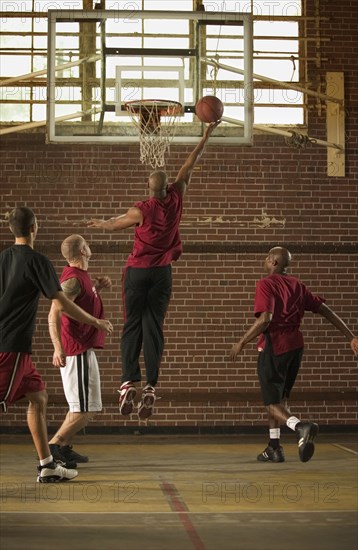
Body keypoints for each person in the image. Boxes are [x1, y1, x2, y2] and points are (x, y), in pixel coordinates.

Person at [87, 121, 220, 420]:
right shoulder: (177, 197)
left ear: (149, 189)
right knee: (153, 328)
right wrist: (206, 134)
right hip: (162, 274)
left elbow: (113, 224)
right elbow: (190, 163)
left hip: (136, 273)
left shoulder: (141, 210)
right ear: (166, 186)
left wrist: (100, 223)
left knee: (132, 325)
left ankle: (127, 382)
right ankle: (150, 386)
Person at [0, 207, 113, 482]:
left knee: (38, 397)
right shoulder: (37, 261)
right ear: (34, 228)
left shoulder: (3, 258)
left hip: (20, 350)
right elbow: (60, 305)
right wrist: (96, 323)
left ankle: (48, 465)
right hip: (9, 344)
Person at [230, 246, 358, 463]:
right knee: (280, 399)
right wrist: (351, 336)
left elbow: (265, 319)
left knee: (271, 402)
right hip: (295, 348)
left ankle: (301, 427)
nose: (265, 259)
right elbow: (326, 310)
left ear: (273, 262)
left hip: (275, 346)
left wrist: (241, 342)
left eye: (268, 256)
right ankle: (274, 448)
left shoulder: (266, 283)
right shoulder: (298, 285)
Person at [47, 234, 111, 467]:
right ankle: (53, 447)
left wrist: (96, 288)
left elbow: (77, 305)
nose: (89, 246)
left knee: (84, 406)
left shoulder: (82, 278)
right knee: (84, 409)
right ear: (82, 251)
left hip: (83, 348)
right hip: (75, 350)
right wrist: (57, 348)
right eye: (87, 244)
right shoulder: (72, 280)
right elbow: (54, 313)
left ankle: (63, 448)